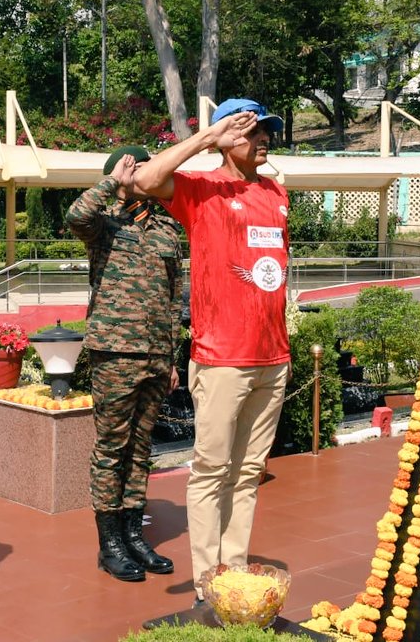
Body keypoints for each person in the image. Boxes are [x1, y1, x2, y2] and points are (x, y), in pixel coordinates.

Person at [132, 99, 292, 601]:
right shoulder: (201, 190)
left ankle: (235, 570)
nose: (262, 138)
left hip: (274, 357)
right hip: (222, 357)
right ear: (225, 136)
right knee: (211, 471)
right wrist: (207, 138)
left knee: (248, 474)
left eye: (266, 129)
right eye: (249, 131)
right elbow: (143, 179)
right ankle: (208, 582)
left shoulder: (276, 192)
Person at [67, 146, 182, 583]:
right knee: (112, 449)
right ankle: (109, 544)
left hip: (154, 355)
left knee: (140, 451)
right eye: (141, 169)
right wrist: (114, 180)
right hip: (115, 353)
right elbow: (76, 215)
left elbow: (174, 300)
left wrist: (171, 356)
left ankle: (134, 535)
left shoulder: (167, 230)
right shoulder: (102, 223)